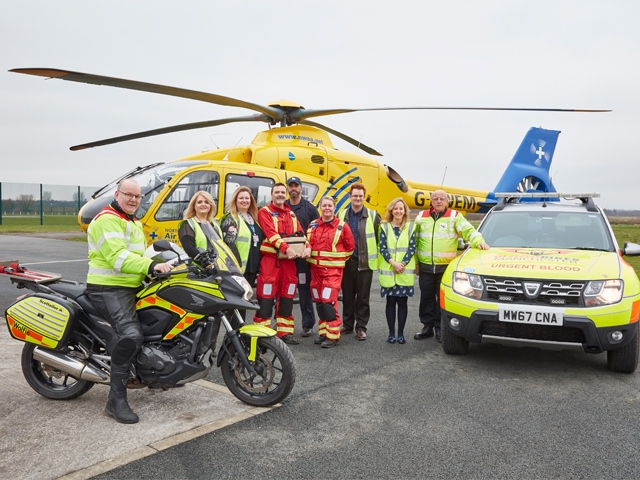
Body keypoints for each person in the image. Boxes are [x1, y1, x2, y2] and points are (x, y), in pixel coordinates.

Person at [86, 178, 173, 424]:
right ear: (117, 194)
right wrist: (152, 266)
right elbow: (118, 257)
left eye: (138, 196)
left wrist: (173, 262)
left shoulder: (132, 222)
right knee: (131, 335)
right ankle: (115, 401)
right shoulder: (106, 219)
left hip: (130, 286)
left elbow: (139, 256)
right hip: (108, 289)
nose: (134, 199)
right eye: (129, 195)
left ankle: (160, 375)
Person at [413, 189, 489, 342]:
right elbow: (413, 241)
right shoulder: (422, 217)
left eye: (442, 199)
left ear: (447, 201)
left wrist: (479, 241)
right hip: (426, 267)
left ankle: (441, 328)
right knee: (426, 298)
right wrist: (415, 263)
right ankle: (427, 326)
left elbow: (469, 231)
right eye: (435, 199)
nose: (439, 201)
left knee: (442, 300)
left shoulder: (454, 217)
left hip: (445, 268)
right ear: (431, 202)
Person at [254, 183, 311, 345]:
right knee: (266, 296)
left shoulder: (291, 214)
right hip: (271, 262)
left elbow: (301, 233)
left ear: (285, 195)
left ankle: (284, 333)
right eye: (277, 192)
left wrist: (308, 247)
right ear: (271, 195)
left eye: (282, 192)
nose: (280, 195)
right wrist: (286, 249)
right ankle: (261, 332)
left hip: (288, 263)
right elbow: (271, 234)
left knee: (287, 295)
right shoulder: (264, 212)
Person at [306, 196, 355, 348]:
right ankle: (324, 332)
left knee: (328, 301)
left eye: (330, 206)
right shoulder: (313, 225)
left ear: (334, 208)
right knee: (319, 301)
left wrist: (336, 262)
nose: (327, 208)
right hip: (315, 271)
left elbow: (350, 247)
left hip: (332, 272)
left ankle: (333, 336)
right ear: (320, 207)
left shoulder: (342, 226)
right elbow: (307, 242)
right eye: (324, 205)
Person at [337, 183, 381, 341]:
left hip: (365, 263)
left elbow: (380, 239)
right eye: (354, 195)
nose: (357, 198)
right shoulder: (341, 214)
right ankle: (347, 324)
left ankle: (361, 327)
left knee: (363, 297)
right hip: (346, 262)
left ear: (364, 197)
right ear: (350, 197)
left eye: (360, 196)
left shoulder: (373, 215)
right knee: (347, 295)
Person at [220, 186, 264, 319]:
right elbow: (229, 244)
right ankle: (231, 337)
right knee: (235, 304)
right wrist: (236, 266)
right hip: (238, 269)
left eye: (247, 198)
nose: (244, 200)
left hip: (251, 268)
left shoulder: (254, 218)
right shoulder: (231, 218)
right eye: (241, 198)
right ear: (235, 200)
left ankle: (239, 334)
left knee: (244, 301)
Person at [378, 198, 417, 345]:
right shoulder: (384, 227)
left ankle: (400, 333)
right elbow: (382, 248)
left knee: (402, 303)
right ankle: (391, 333)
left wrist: (402, 264)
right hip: (390, 271)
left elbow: (412, 248)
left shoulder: (411, 227)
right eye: (396, 208)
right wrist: (393, 263)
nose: (398, 211)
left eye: (401, 208)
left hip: (403, 272)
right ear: (391, 210)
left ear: (405, 211)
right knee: (390, 302)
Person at [285, 176, 319, 338]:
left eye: (296, 186)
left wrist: (310, 248)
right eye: (290, 186)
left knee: (305, 291)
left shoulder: (310, 209)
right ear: (287, 189)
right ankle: (283, 325)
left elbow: (317, 232)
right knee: (285, 291)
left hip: (303, 260)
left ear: (301, 188)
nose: (293, 188)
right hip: (285, 258)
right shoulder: (282, 207)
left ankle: (308, 324)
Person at [178, 190, 224, 259]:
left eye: (206, 202)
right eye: (199, 202)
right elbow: (189, 249)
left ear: (210, 205)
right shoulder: (187, 224)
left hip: (217, 267)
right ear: (194, 205)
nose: (203, 204)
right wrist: (206, 263)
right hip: (197, 267)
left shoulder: (216, 224)